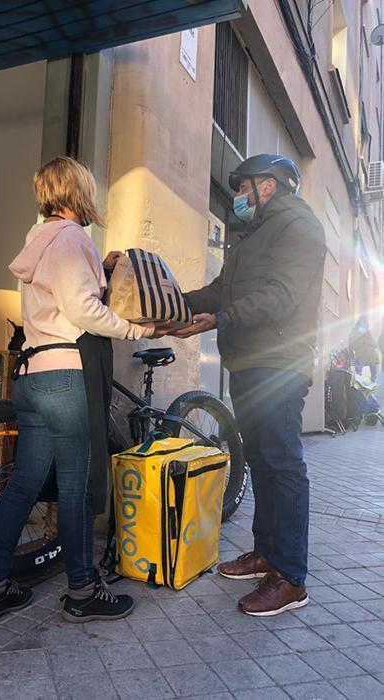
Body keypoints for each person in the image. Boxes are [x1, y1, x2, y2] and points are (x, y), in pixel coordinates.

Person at [0, 156, 158, 625]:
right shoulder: (73, 239)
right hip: (64, 376)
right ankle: (82, 591)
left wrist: (105, 264)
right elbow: (82, 310)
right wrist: (137, 330)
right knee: (75, 487)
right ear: (78, 192)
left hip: (33, 375)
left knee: (24, 485)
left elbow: (61, 298)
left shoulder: (40, 241)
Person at [169, 154, 326, 616]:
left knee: (282, 464)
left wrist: (218, 320)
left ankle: (291, 577)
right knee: (260, 460)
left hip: (279, 362)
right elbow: (220, 290)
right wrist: (172, 306)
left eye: (242, 188)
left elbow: (279, 297)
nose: (237, 197)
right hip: (250, 364)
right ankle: (266, 554)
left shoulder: (301, 228)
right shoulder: (252, 236)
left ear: (269, 186)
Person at [349, 317, 379, 382]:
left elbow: (375, 344)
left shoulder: (368, 333)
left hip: (371, 357)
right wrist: (362, 342)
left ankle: (372, 382)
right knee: (358, 375)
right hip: (360, 357)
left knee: (373, 375)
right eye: (363, 324)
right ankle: (359, 385)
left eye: (366, 325)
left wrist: (369, 342)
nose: (365, 327)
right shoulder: (354, 333)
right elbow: (351, 345)